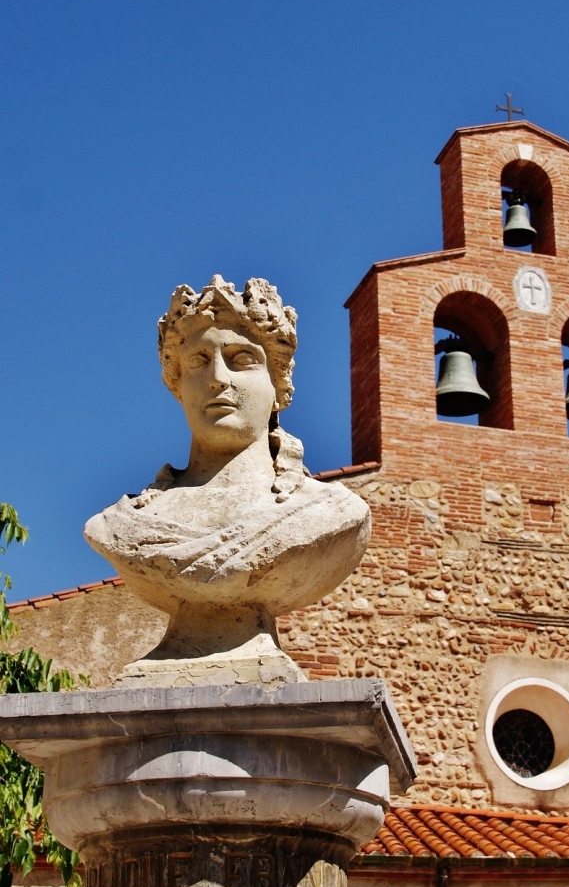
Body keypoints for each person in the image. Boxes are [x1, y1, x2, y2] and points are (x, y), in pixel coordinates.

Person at [85, 275, 370, 679]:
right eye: (198, 361)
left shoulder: (331, 513)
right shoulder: (120, 524)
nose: (218, 377)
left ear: (279, 386)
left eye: (241, 359)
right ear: (177, 384)